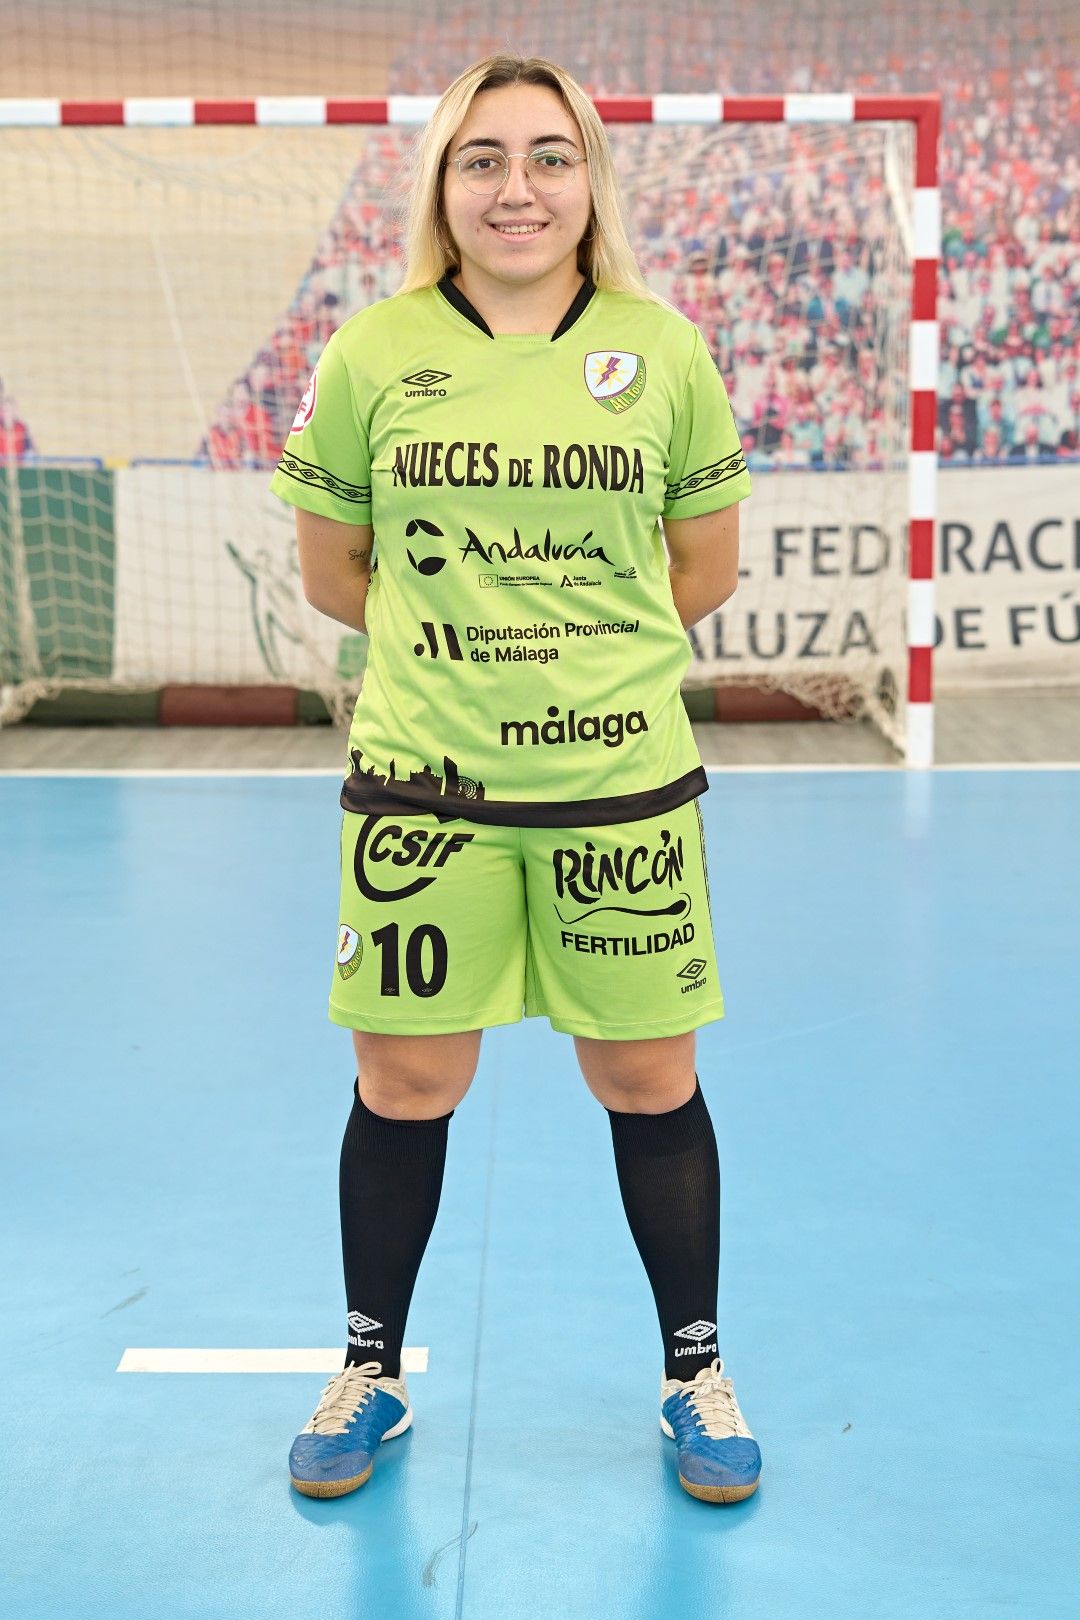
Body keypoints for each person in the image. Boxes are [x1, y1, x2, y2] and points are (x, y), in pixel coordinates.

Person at [269, 52, 761, 1507]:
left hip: (621, 786)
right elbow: (338, 578)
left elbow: (701, 573)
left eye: (549, 156)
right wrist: (475, 656)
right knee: (406, 1080)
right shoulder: (373, 353)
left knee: (645, 1075)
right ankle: (371, 1370)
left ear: (590, 181)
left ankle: (696, 1372)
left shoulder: (663, 349)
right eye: (483, 159)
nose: (518, 187)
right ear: (443, 187)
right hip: (426, 793)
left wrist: (568, 662)